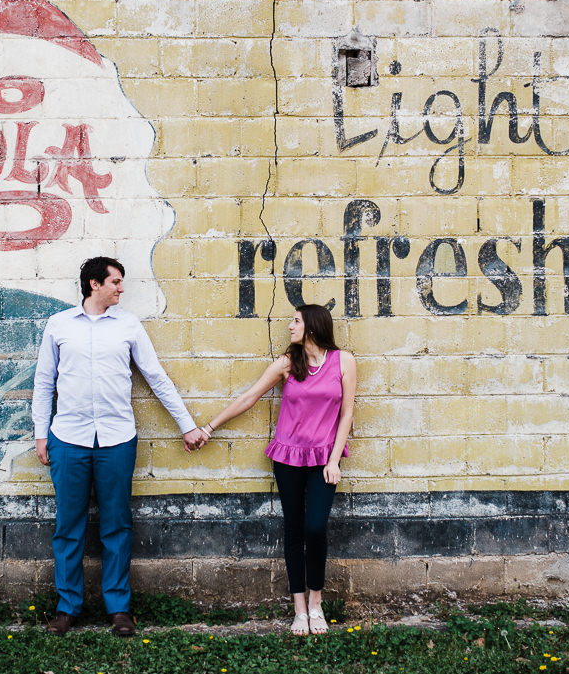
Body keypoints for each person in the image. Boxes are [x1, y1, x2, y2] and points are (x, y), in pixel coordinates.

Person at [32, 256, 206, 637]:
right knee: (68, 527)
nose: (121, 288)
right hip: (69, 439)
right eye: (116, 282)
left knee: (117, 525)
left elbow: (155, 377)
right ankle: (67, 607)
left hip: (116, 439)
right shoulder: (59, 325)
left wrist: (187, 425)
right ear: (95, 284)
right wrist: (40, 434)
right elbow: (44, 382)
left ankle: (118, 608)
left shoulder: (128, 325)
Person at [197, 303, 355, 636]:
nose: (290, 327)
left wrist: (333, 461)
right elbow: (250, 397)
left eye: (295, 322)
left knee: (316, 527)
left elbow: (347, 414)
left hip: (325, 457)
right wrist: (209, 428)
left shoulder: (344, 362)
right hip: (288, 457)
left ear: (312, 326)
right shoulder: (287, 363)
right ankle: (300, 609)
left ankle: (316, 602)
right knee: (295, 529)